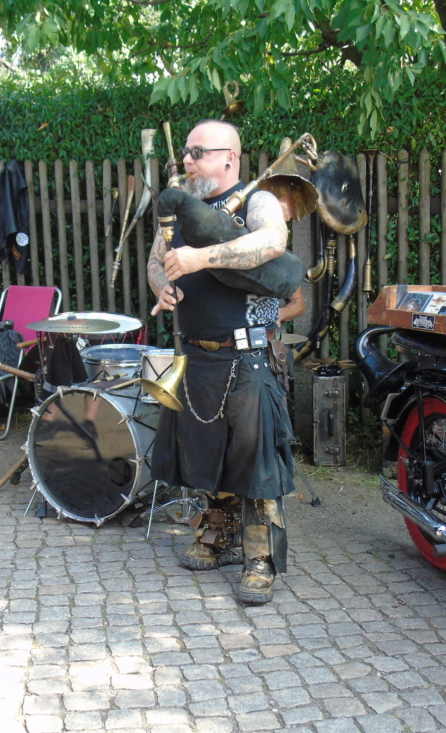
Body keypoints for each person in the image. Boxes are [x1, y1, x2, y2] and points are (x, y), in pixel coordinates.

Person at [147, 119, 297, 605]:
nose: (186, 161)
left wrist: (201, 259)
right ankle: (221, 533)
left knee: (255, 461)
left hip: (248, 354)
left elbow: (271, 244)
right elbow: (157, 258)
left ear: (229, 158)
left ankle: (261, 558)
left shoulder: (259, 201)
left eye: (198, 153)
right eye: (185, 154)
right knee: (206, 451)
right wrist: (162, 285)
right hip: (197, 354)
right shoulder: (179, 207)